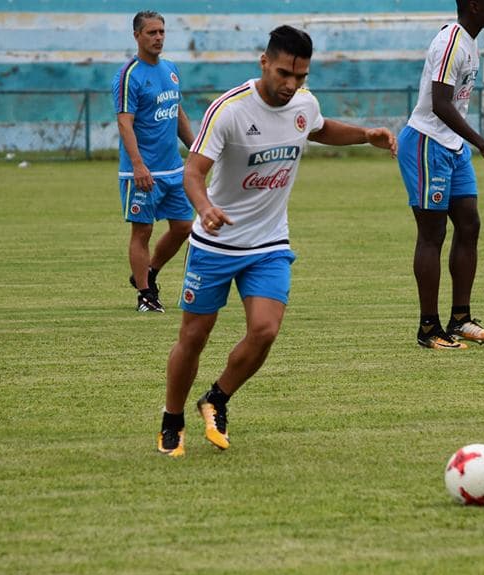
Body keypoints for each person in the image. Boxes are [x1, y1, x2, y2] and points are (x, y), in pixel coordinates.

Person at [157, 25, 398, 457]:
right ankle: (171, 419)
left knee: (265, 330)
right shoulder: (228, 110)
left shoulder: (304, 103)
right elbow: (192, 171)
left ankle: (216, 398)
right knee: (193, 337)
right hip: (216, 243)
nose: (291, 84)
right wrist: (204, 208)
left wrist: (365, 135)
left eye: (300, 76)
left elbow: (317, 128)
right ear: (264, 62)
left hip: (268, 243)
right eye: (284, 73)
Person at [397, 0, 484, 349]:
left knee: (469, 224)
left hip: (452, 146)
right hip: (426, 143)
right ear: (474, 6)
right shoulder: (451, 43)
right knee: (432, 233)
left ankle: (460, 319)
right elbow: (440, 103)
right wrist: (483, 145)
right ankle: (428, 328)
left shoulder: (471, 43)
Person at [112, 11, 195, 312]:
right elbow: (125, 123)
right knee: (142, 231)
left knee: (184, 227)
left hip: (174, 168)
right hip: (143, 171)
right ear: (137, 36)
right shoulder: (129, 75)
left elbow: (177, 112)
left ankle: (149, 273)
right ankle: (145, 296)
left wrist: (196, 148)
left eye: (161, 32)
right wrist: (138, 165)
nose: (158, 37)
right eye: (151, 32)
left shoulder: (170, 69)